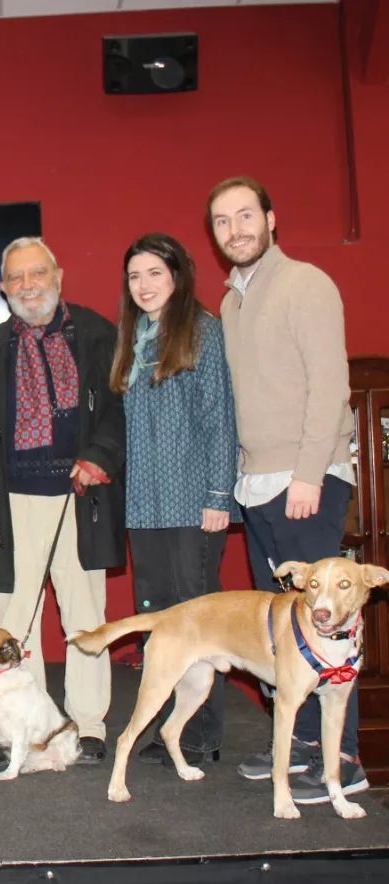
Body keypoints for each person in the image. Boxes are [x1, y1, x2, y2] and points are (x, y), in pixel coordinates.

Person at [207, 176, 365, 802]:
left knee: (327, 620)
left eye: (246, 215)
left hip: (308, 477)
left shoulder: (306, 284)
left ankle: (343, 759)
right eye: (222, 221)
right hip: (258, 486)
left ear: (272, 219)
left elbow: (330, 386)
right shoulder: (229, 304)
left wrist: (307, 473)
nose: (236, 229)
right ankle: (298, 747)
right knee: (285, 627)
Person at [0, 237, 126, 765]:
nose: (29, 285)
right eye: (17, 278)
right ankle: (28, 725)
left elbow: (120, 409)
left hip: (82, 493)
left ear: (59, 275)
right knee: (14, 622)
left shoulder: (98, 336)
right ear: (4, 289)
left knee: (86, 617)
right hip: (14, 505)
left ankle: (88, 725)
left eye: (38, 274)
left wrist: (99, 454)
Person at [109, 233, 238, 766]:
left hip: (193, 504)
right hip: (145, 506)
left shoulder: (203, 331)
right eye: (135, 276)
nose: (144, 285)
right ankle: (166, 726)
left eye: (154, 274)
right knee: (157, 620)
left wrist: (217, 495)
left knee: (198, 621)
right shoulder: (132, 340)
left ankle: (201, 733)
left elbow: (218, 420)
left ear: (178, 277)